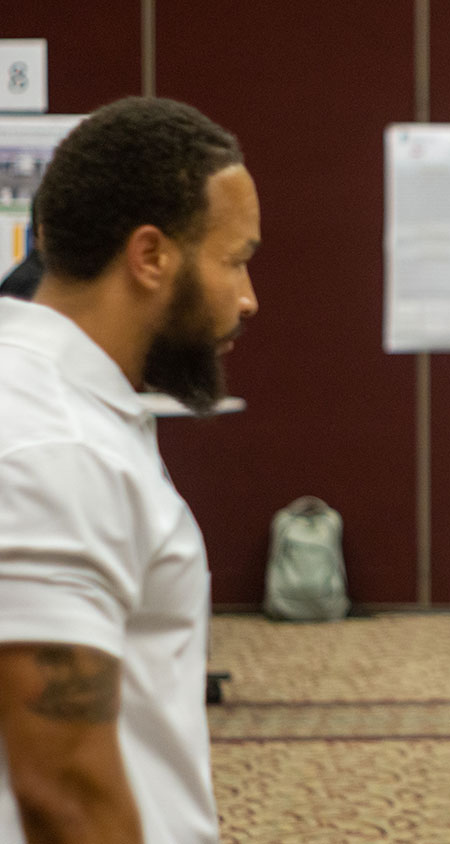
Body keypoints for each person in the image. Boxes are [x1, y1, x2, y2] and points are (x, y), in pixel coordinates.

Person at [0, 97, 260, 844]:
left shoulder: (58, 411)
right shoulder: (55, 446)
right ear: (151, 257)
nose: (248, 298)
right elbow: (64, 787)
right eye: (235, 260)